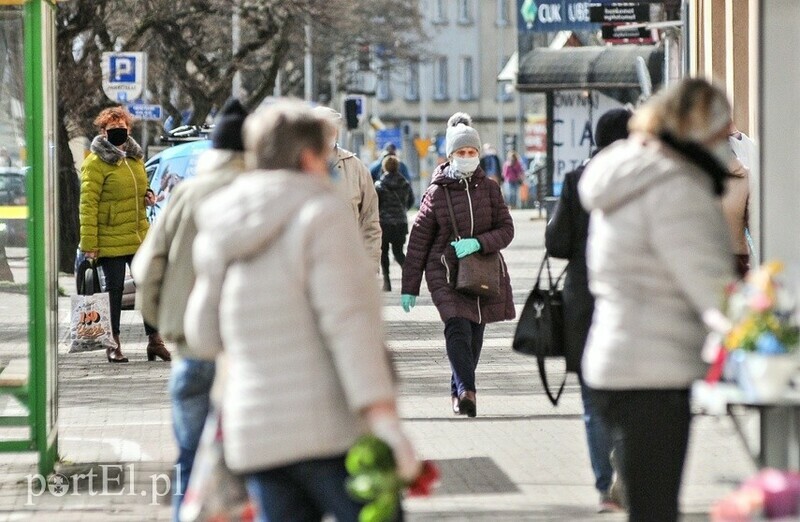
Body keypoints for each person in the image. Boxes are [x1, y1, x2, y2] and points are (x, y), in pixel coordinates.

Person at [183, 100, 420, 521]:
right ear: (309, 157)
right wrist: (385, 421)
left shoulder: (223, 221)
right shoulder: (321, 215)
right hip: (329, 431)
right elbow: (351, 327)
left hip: (256, 436)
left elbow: (202, 334)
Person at [578, 78, 736, 521]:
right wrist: (756, 327)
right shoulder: (677, 187)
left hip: (615, 359)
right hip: (654, 371)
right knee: (656, 509)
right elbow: (711, 287)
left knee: (647, 505)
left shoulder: (628, 171)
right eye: (723, 132)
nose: (728, 142)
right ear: (697, 128)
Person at [131, 98, 249, 521]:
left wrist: (164, 324)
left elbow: (146, 268)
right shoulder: (263, 194)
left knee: (189, 458)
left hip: (192, 349)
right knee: (253, 465)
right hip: (249, 355)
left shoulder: (186, 194)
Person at [545, 108, 632, 514]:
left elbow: (557, 243)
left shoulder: (576, 179)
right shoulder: (640, 179)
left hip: (583, 300)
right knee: (631, 395)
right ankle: (627, 476)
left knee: (593, 399)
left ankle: (605, 488)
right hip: (628, 297)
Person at [401, 113, 515, 418]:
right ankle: (467, 392)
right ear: (450, 156)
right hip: (445, 272)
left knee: (474, 337)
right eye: (461, 152)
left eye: (471, 152)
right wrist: (409, 287)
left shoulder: (490, 189)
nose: (467, 157)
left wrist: (479, 243)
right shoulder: (437, 193)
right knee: (457, 328)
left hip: (483, 271)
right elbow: (419, 242)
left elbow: (507, 229)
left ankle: (458, 390)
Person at [79, 106, 170, 363]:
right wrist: (89, 244)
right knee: (115, 290)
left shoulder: (134, 158)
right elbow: (88, 205)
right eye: (113, 129)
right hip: (110, 237)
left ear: (129, 129)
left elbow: (140, 186)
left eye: (122, 128)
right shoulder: (95, 163)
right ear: (103, 132)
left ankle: (155, 341)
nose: (119, 132)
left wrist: (148, 195)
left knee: (148, 286)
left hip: (138, 235)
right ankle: (113, 343)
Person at [313, 106, 382, 269]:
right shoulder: (295, 167)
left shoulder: (355, 168)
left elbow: (370, 221)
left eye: (331, 128)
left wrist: (370, 266)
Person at [375, 155, 413, 292]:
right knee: (399, 252)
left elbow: (375, 204)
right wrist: (402, 211)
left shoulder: (379, 185)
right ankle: (410, 278)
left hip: (384, 223)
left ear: (384, 167)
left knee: (383, 252)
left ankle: (387, 282)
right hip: (401, 223)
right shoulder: (405, 184)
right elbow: (411, 201)